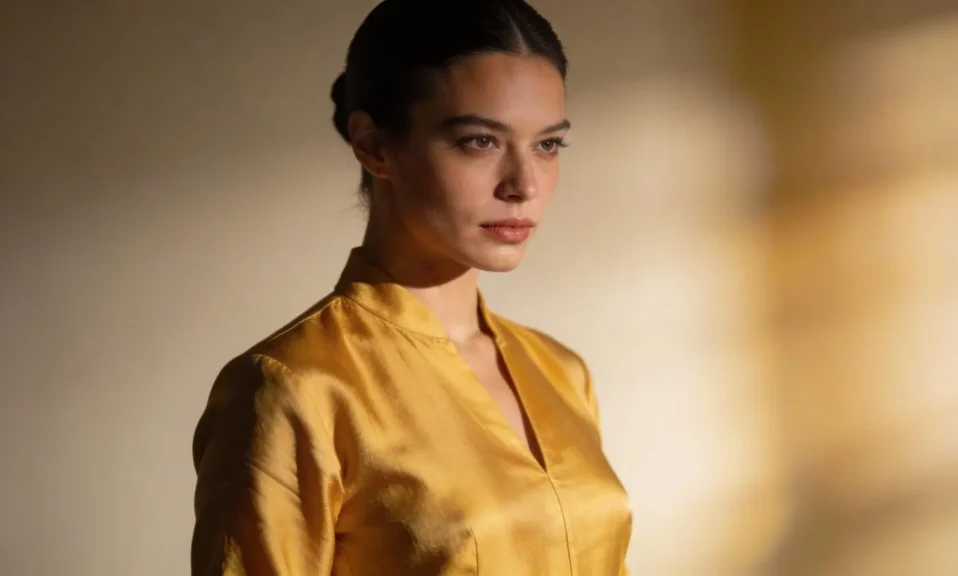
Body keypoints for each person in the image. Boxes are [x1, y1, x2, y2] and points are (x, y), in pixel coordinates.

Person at [190, 0, 632, 573]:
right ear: (374, 145)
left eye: (548, 145)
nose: (524, 184)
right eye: (480, 141)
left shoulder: (561, 372)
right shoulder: (294, 388)